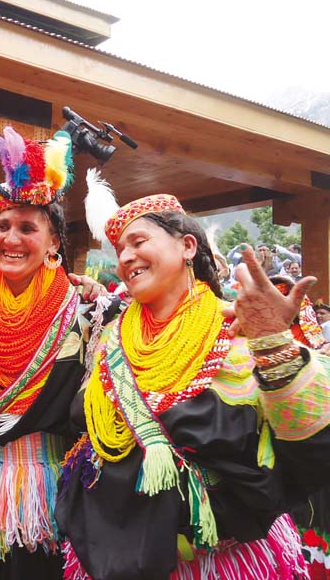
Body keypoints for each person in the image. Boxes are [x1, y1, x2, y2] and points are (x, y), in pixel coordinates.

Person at [56, 186, 330, 578]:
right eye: (120, 250)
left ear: (186, 246)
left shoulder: (241, 326)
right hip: (114, 559)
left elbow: (313, 450)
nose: (126, 257)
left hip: (222, 562)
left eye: (138, 241)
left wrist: (273, 344)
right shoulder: (109, 339)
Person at [0, 128, 109, 579]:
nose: (11, 238)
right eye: (3, 226)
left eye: (28, 228)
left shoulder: (85, 320)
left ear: (53, 243)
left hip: (48, 498)